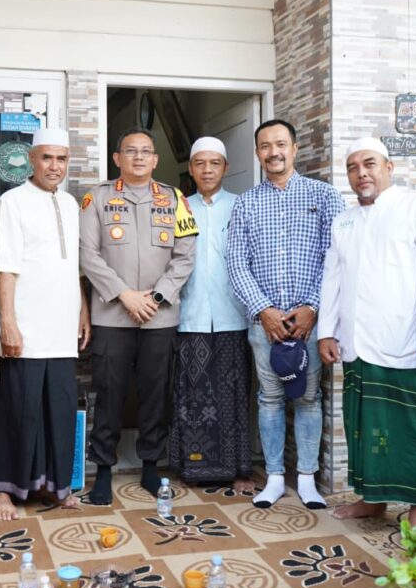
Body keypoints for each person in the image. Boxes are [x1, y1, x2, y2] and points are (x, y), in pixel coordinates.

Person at [317, 138, 416, 526]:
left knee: (412, 427)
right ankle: (372, 499)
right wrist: (326, 331)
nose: (361, 173)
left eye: (369, 164)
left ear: (389, 166)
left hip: (405, 340)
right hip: (356, 341)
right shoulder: (345, 219)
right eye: (353, 167)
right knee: (363, 426)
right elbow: (332, 279)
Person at [227, 119, 345, 509]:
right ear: (258, 153)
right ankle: (276, 477)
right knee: (270, 398)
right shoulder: (247, 202)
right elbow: (236, 262)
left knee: (309, 398)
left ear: (294, 149)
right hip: (266, 325)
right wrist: (264, 310)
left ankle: (307, 478)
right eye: (265, 146)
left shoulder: (325, 196)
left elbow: (336, 258)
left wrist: (312, 306)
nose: (273, 152)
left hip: (311, 323)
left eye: (281, 144)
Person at [80, 127, 198, 505]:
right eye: (130, 151)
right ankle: (103, 470)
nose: (138, 157)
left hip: (159, 318)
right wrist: (125, 295)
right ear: (117, 159)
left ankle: (151, 466)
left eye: (146, 151)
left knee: (154, 394)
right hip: (113, 316)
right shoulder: (95, 199)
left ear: (155, 159)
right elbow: (88, 254)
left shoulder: (175, 199)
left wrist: (158, 296)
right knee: (109, 393)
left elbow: (185, 254)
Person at [0, 128, 91, 518]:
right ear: (31, 159)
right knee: (16, 411)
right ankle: (3, 491)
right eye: (47, 158)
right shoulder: (12, 201)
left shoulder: (70, 205)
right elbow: (6, 268)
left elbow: (74, 268)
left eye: (61, 159)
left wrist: (83, 310)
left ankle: (54, 487)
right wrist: (8, 323)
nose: (54, 166)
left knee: (57, 412)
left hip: (62, 327)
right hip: (25, 327)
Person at [169, 136, 253, 492]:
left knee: (233, 395)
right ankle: (190, 467)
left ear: (225, 168)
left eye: (214, 163)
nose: (207, 170)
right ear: (191, 169)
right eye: (200, 163)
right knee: (190, 394)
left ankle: (239, 470)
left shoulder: (242, 206)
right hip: (189, 316)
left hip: (233, 314)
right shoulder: (178, 208)